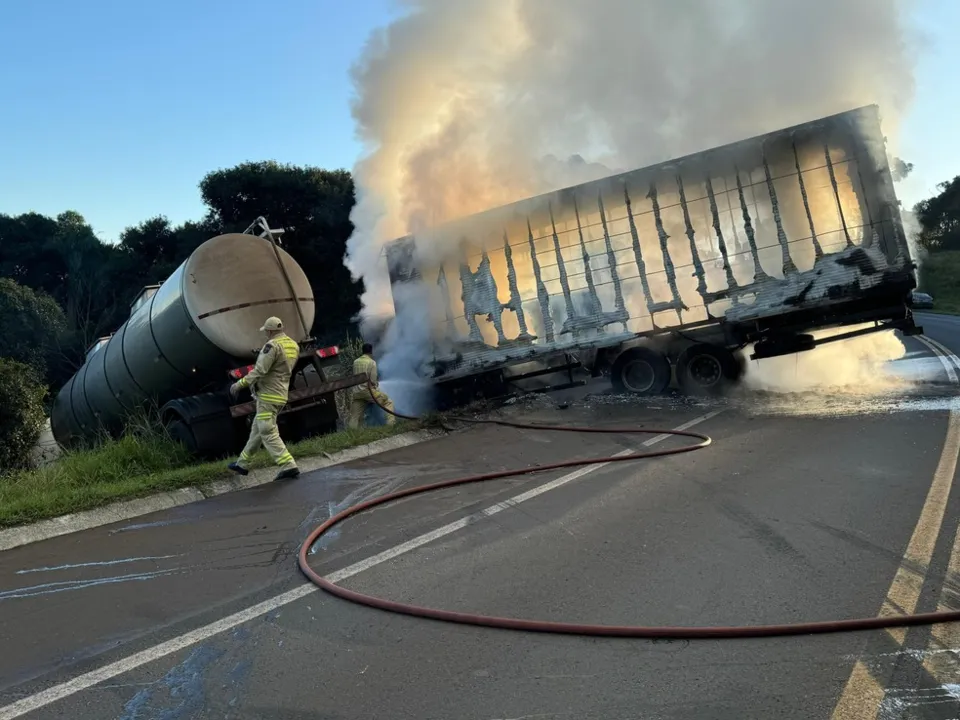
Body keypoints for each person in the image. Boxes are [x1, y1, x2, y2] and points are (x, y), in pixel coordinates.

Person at [227, 316, 301, 480]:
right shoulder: (293, 345)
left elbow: (260, 370)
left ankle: (288, 465)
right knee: (257, 429)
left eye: (266, 331)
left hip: (268, 395)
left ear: (269, 331)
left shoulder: (272, 346)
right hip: (281, 393)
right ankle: (242, 464)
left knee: (267, 431)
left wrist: (239, 384)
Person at [349, 342, 396, 429]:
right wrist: (376, 386)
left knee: (355, 416)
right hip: (367, 392)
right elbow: (373, 381)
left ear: (362, 351)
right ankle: (391, 425)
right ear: (371, 352)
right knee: (388, 401)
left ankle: (352, 433)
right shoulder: (372, 362)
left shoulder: (355, 362)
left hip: (357, 393)